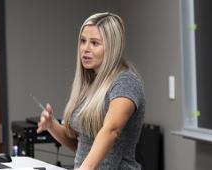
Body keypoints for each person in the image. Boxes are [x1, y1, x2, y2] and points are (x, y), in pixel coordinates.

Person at [36, 12, 145, 170]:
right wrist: (51, 125)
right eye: (83, 41)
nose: (85, 49)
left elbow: (111, 130)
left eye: (94, 43)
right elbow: (82, 146)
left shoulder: (126, 82)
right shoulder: (91, 84)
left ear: (112, 47)